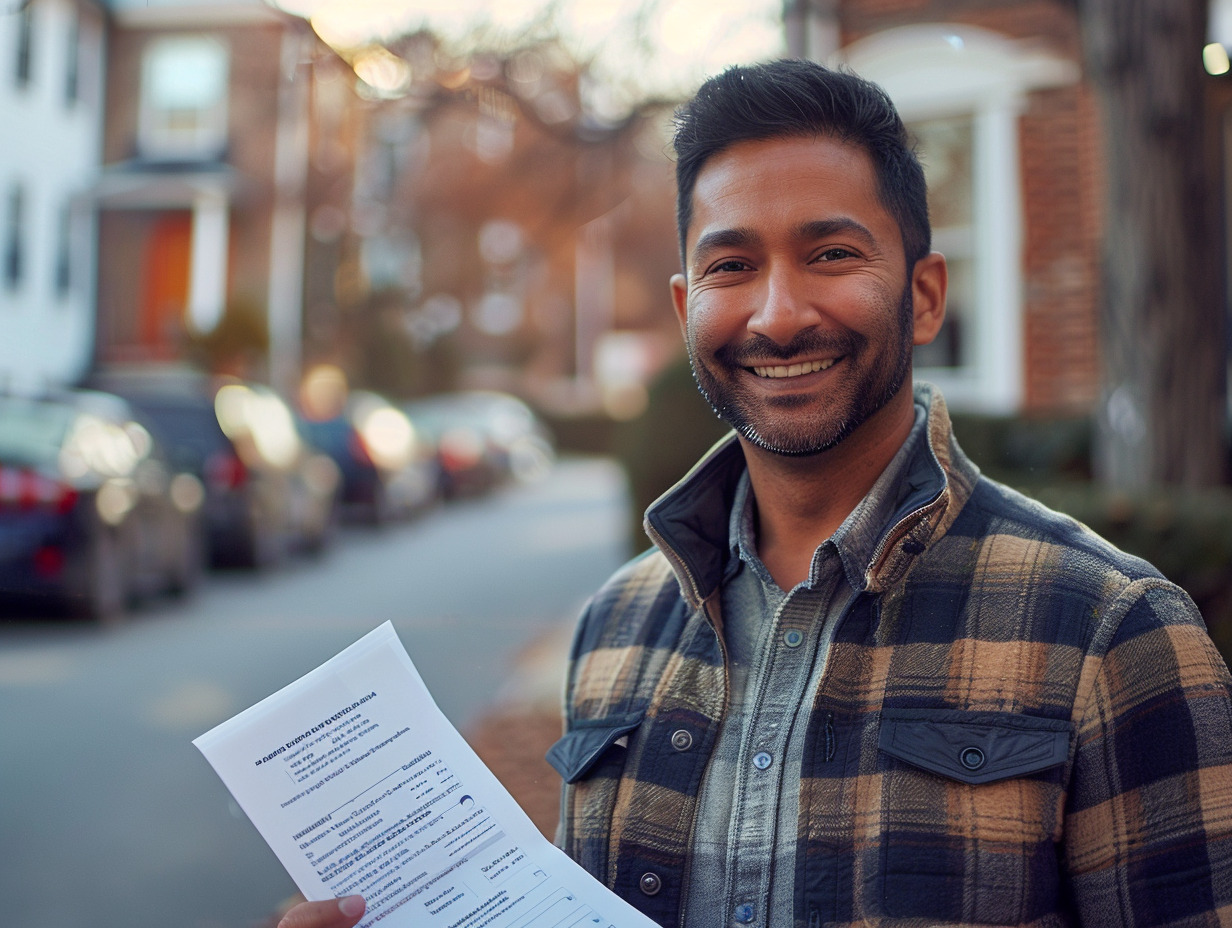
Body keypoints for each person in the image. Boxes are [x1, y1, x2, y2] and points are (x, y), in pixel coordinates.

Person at [278, 58, 1232, 928]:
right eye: (732, 266)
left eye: (832, 254)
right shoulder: (615, 628)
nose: (777, 315)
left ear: (925, 295)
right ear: (687, 306)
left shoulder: (1114, 633)